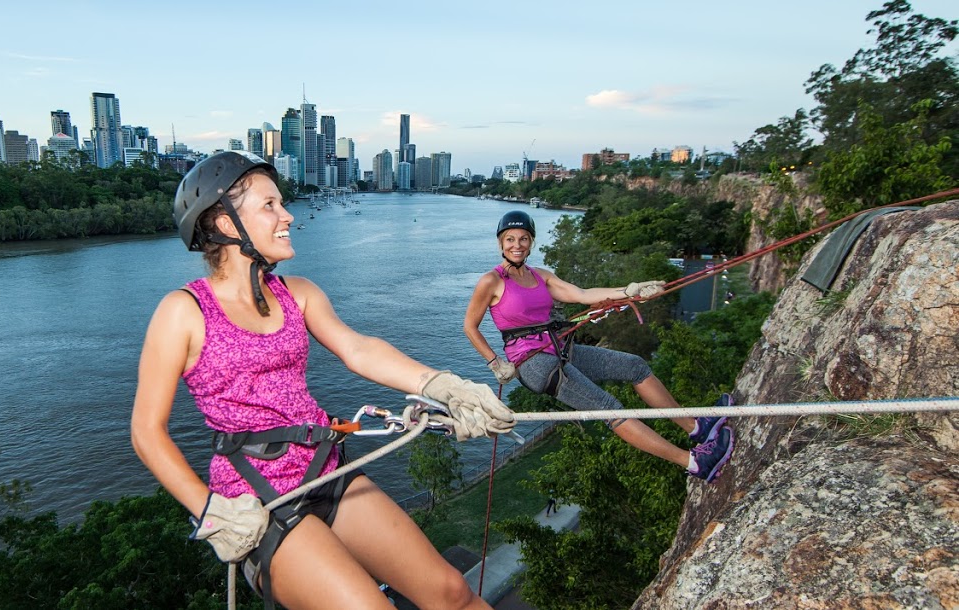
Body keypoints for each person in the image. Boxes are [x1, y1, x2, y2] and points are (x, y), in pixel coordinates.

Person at [132, 151, 515, 610]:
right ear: (228, 224)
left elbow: (358, 349)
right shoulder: (183, 312)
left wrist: (441, 384)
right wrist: (209, 510)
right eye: (269, 205)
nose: (287, 215)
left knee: (451, 592)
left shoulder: (298, 294)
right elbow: (146, 431)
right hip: (256, 498)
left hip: (325, 468)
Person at [462, 210, 735, 483]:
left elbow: (582, 295)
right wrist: (495, 362)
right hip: (534, 365)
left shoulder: (541, 276)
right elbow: (470, 326)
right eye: (510, 239)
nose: (516, 245)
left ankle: (697, 428)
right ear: (500, 243)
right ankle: (696, 462)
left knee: (635, 366)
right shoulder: (492, 281)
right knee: (609, 408)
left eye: (523, 239)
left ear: (531, 242)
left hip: (559, 350)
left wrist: (629, 291)